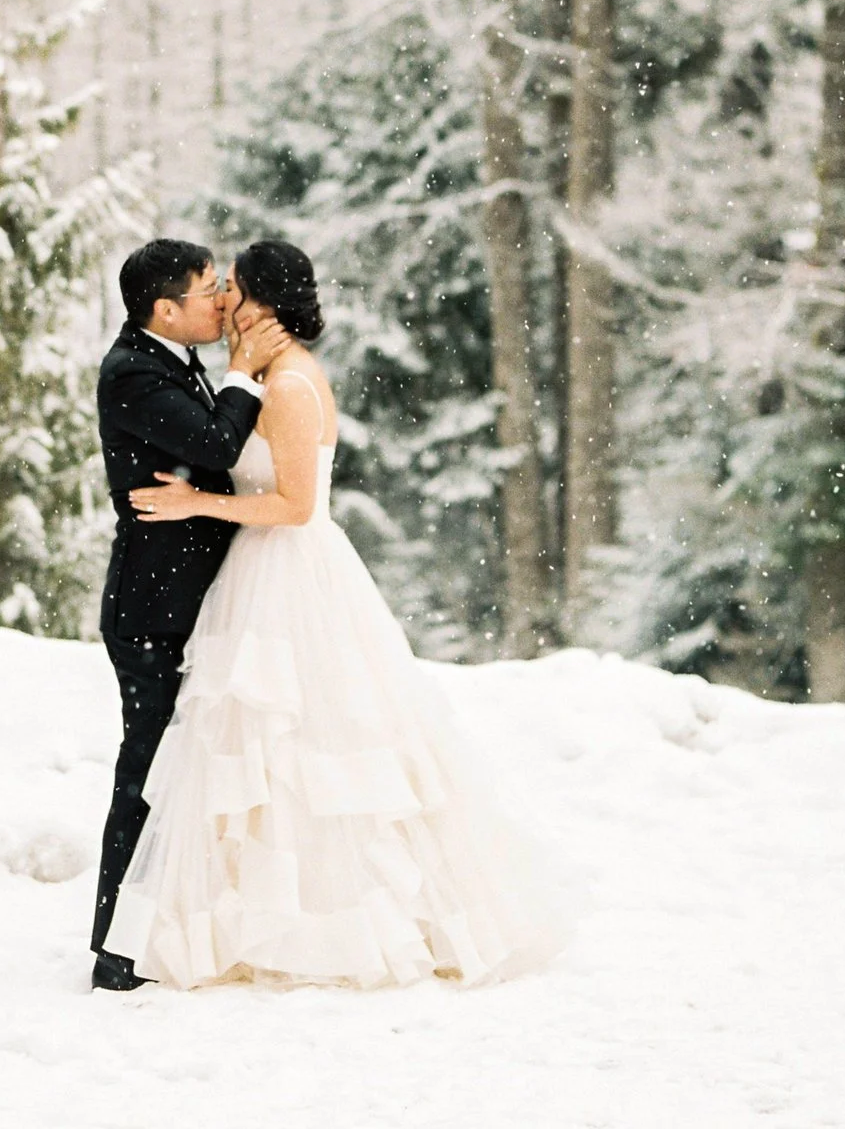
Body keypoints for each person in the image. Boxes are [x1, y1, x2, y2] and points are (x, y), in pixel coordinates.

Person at [101, 239, 572, 989]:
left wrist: (197, 500)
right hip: (247, 576)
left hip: (284, 570)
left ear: (262, 305)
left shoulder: (285, 385)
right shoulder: (257, 376)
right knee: (248, 751)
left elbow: (293, 505)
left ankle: (306, 921)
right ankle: (171, 930)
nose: (223, 300)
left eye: (233, 289)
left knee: (292, 747)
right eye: (212, 288)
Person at [88, 238, 292, 992]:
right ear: (164, 309)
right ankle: (117, 949)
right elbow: (212, 441)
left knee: (180, 769)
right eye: (208, 290)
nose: (221, 301)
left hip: (186, 599)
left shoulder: (171, 361)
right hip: (152, 608)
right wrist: (246, 372)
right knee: (147, 772)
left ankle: (164, 928)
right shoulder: (133, 373)